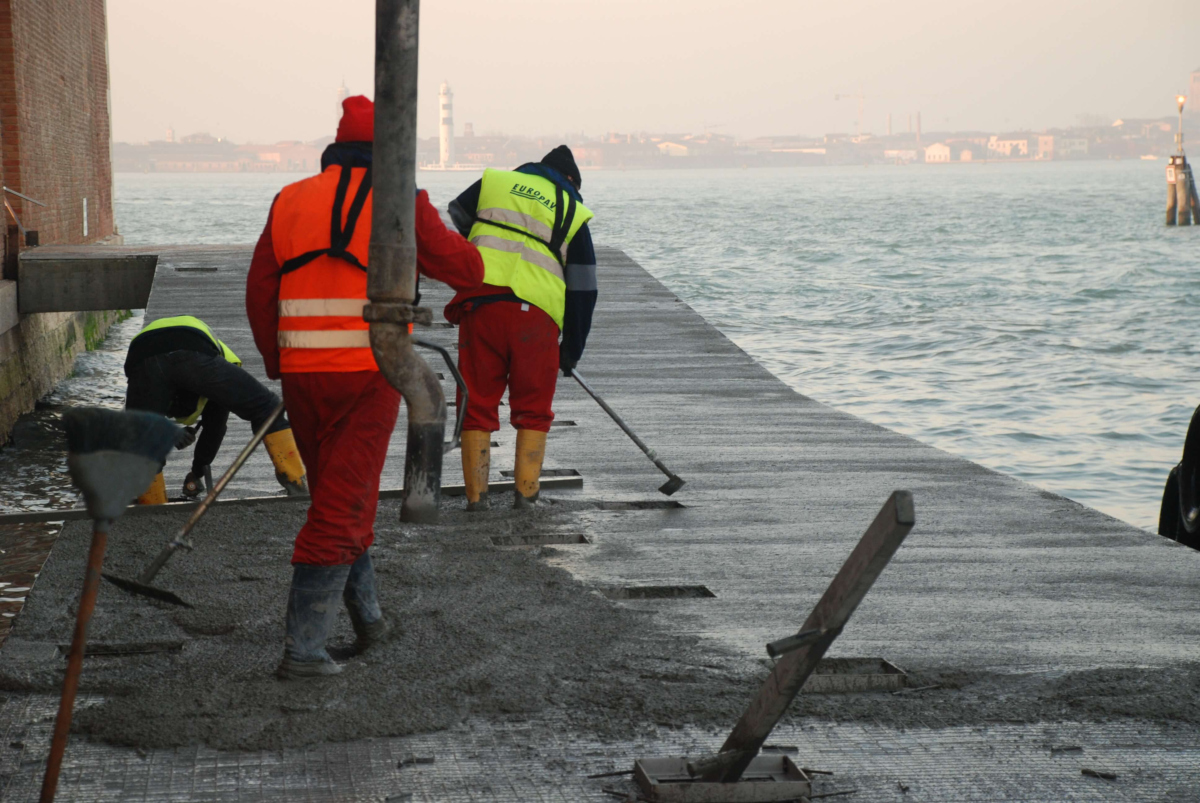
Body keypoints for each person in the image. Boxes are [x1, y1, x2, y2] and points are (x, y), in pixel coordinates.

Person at [246, 95, 485, 680]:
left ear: (337, 146)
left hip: (302, 375)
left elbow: (260, 291)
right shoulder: (400, 199)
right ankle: (303, 652)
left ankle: (370, 621)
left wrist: (278, 362)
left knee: (336, 494)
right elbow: (466, 269)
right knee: (342, 506)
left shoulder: (290, 198)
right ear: (392, 149)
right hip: (369, 371)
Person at [446, 145, 597, 511]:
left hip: (481, 301)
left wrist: (483, 243)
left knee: (476, 401)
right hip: (536, 313)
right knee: (533, 407)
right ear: (571, 181)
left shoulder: (496, 182)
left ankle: (476, 500)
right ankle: (526, 497)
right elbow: (583, 288)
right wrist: (571, 350)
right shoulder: (571, 209)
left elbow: (458, 211)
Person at [124, 314, 306, 503]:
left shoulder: (218, 361)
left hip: (141, 355)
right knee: (267, 408)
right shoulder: (213, 369)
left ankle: (151, 502)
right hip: (190, 348)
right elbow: (214, 428)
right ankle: (297, 486)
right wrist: (197, 472)